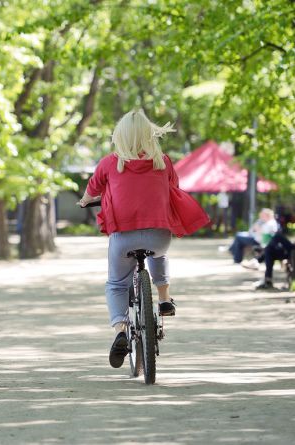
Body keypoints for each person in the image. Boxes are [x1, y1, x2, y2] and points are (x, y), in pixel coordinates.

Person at [78, 109, 209, 369]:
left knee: (116, 284)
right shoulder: (164, 162)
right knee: (159, 254)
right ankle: (163, 299)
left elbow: (93, 188)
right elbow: (174, 186)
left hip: (123, 237)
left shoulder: (109, 163)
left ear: (120, 136)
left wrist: (84, 201)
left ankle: (119, 331)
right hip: (159, 236)